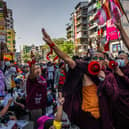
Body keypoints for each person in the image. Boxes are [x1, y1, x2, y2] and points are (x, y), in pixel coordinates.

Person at [42, 29, 119, 129]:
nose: (98, 60)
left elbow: (114, 96)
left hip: (104, 117)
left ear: (105, 62)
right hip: (86, 117)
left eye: (101, 58)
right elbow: (68, 60)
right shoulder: (85, 69)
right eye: (95, 58)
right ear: (91, 60)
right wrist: (52, 44)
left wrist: (104, 80)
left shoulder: (109, 75)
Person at [26, 53, 47, 129]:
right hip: (35, 106)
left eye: (39, 67)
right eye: (36, 68)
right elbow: (32, 74)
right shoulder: (31, 78)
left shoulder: (41, 77)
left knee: (42, 124)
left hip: (43, 104)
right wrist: (33, 62)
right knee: (38, 124)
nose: (38, 69)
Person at [112, 52, 129, 129]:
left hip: (126, 103)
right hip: (116, 103)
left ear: (127, 60)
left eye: (122, 59)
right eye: (118, 58)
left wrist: (122, 75)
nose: (119, 60)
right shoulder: (115, 68)